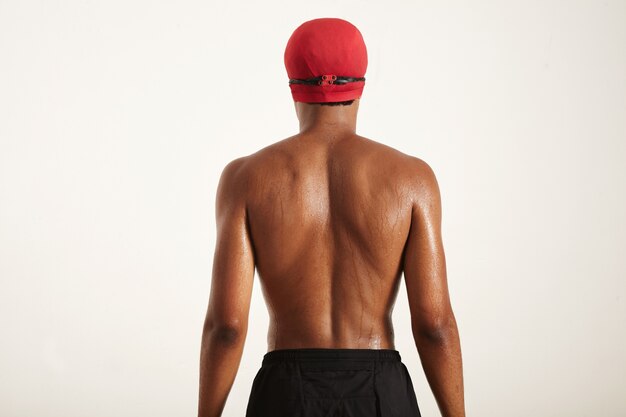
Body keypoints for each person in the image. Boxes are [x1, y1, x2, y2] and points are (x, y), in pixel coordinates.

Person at [198, 17, 465, 417]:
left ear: (292, 87)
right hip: (380, 392)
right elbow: (434, 325)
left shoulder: (244, 179)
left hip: (286, 392)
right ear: (362, 84)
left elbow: (227, 327)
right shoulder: (413, 179)